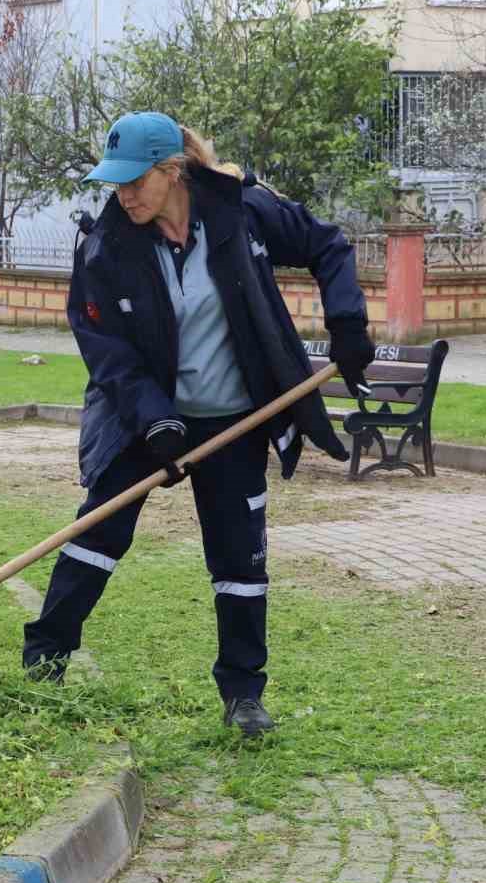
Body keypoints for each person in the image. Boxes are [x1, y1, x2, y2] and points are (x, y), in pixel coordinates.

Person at [21, 111, 374, 737]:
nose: (123, 195)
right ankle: (43, 662)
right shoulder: (106, 245)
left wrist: (347, 324)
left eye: (136, 182)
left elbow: (328, 244)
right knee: (98, 531)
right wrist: (154, 420)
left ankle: (243, 694)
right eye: (116, 184)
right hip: (146, 417)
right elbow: (103, 345)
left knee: (240, 558)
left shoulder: (241, 212)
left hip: (236, 420)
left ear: (173, 170)